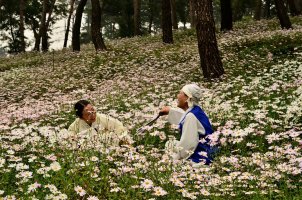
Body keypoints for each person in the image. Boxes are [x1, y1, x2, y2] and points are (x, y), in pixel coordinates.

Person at [160, 84, 217, 165]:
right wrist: (170, 111)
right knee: (170, 144)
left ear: (187, 98)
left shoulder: (191, 116)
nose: (177, 96)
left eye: (180, 93)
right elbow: (184, 117)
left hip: (202, 157)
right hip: (209, 150)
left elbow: (188, 144)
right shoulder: (196, 111)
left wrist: (174, 160)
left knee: (170, 148)